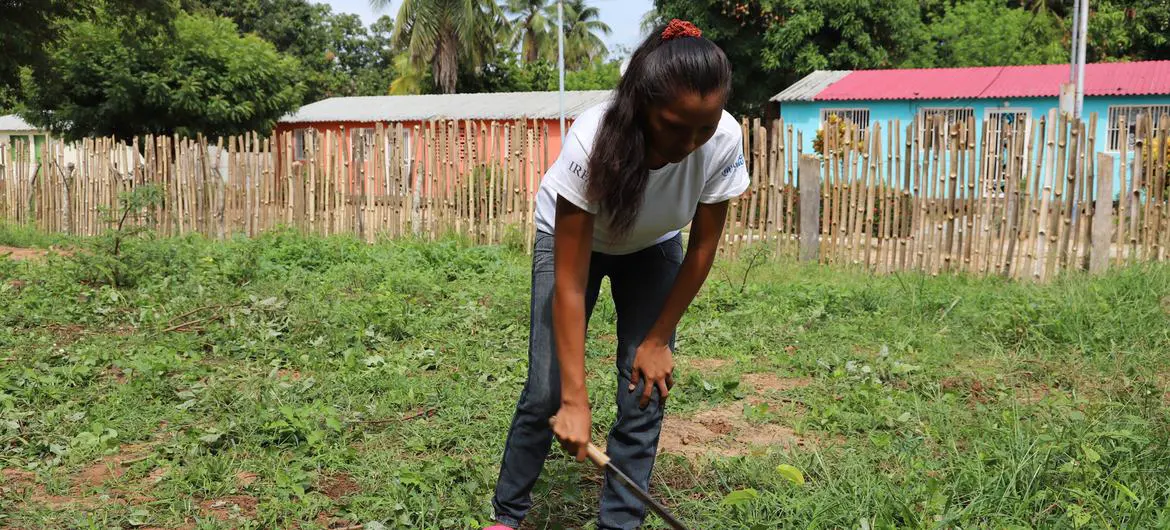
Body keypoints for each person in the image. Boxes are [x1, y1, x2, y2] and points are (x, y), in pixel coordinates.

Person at [485, 19, 748, 530]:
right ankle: (507, 514)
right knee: (547, 389)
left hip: (653, 247)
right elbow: (569, 282)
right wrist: (574, 400)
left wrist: (657, 339)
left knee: (645, 387)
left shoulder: (725, 139)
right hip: (573, 249)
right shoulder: (594, 140)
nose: (691, 142)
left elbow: (703, 247)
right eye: (674, 125)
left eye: (705, 126)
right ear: (643, 106)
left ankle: (620, 523)